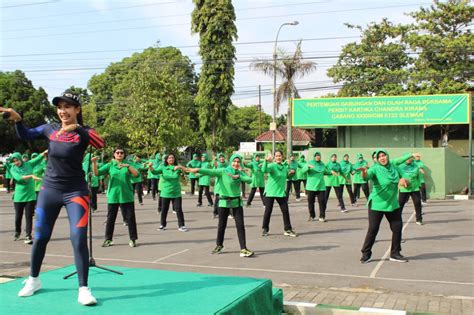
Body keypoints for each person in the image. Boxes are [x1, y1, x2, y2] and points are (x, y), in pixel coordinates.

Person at [1, 91, 104, 305]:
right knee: (40, 237)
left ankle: (83, 288)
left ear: (77, 110)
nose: (62, 111)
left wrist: (76, 129)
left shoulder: (84, 132)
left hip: (76, 191)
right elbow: (26, 135)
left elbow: (100, 143)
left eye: (68, 107)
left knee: (78, 238)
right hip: (49, 190)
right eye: (60, 107)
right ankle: (33, 280)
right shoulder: (50, 129)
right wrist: (18, 120)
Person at [188, 153, 254, 257]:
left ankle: (243, 249)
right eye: (234, 161)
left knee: (240, 226)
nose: (236, 163)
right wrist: (197, 169)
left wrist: (239, 176)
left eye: (238, 162)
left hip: (236, 203)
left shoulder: (239, 173)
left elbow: (250, 180)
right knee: (221, 226)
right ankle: (219, 245)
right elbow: (210, 172)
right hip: (223, 203)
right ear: (231, 162)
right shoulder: (224, 171)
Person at [359, 150, 419, 264]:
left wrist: (404, 180)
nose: (382, 158)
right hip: (377, 203)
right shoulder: (375, 169)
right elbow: (366, 177)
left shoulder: (394, 166)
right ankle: (366, 254)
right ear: (376, 159)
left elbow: (405, 176)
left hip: (392, 203)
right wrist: (364, 173)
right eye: (379, 156)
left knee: (397, 227)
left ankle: (395, 253)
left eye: (384, 155)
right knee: (373, 229)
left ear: (387, 156)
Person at [93, 147, 139, 248]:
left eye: (121, 152)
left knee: (130, 219)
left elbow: (136, 174)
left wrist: (128, 167)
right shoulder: (110, 165)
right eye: (117, 152)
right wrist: (94, 163)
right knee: (110, 219)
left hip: (126, 195)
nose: (119, 154)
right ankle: (108, 239)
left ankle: (133, 239)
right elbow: (97, 173)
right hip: (113, 195)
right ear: (114, 154)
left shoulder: (128, 164)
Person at [9, 151, 46, 244]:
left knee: (29, 216)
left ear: (20, 159)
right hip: (19, 196)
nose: (15, 162)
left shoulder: (28, 164)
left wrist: (46, 151)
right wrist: (31, 176)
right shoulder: (13, 169)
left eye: (16, 160)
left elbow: (38, 158)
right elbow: (19, 178)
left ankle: (28, 235)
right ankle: (18, 231)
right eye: (14, 161)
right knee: (18, 216)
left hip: (30, 195)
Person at [261, 151, 297, 237]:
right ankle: (265, 229)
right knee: (268, 211)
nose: (278, 157)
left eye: (280, 156)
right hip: (271, 192)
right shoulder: (272, 166)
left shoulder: (284, 167)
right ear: (274, 158)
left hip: (280, 192)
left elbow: (287, 177)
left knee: (285, 211)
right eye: (276, 156)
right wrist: (265, 161)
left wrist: (292, 173)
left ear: (282, 157)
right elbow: (264, 170)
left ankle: (287, 229)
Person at [149, 153, 188, 231]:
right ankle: (162, 225)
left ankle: (182, 225)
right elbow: (154, 172)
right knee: (164, 210)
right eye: (169, 158)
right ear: (166, 160)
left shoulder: (177, 168)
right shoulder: (163, 168)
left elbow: (187, 172)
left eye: (173, 158)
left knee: (179, 209)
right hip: (165, 192)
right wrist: (150, 166)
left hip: (176, 192)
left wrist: (180, 167)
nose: (171, 159)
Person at [302, 152, 331, 222]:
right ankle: (312, 216)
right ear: (314, 157)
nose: (318, 157)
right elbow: (303, 171)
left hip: (321, 186)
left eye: (319, 156)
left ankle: (322, 216)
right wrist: (308, 167)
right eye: (317, 156)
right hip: (311, 187)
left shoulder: (322, 164)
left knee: (322, 202)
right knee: (311, 202)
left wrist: (331, 172)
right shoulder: (310, 163)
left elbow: (325, 171)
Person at [398, 156, 424, 225]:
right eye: (407, 158)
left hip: (414, 188)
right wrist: (401, 182)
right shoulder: (400, 167)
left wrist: (419, 185)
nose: (408, 160)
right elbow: (397, 177)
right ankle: (397, 219)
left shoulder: (415, 166)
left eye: (410, 158)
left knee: (418, 203)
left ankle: (419, 219)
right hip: (404, 189)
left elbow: (418, 176)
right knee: (400, 204)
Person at [212, 153, 228, 218]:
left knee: (227, 199)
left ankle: (229, 213)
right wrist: (215, 167)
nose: (222, 158)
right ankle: (215, 212)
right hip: (219, 185)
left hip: (226, 185)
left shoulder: (227, 165)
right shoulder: (217, 164)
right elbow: (213, 173)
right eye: (220, 157)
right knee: (217, 200)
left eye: (223, 157)